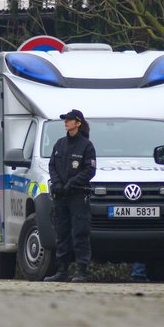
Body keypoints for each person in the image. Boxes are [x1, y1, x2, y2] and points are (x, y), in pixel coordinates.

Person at [44, 109, 97, 282]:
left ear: (78, 123)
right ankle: (62, 270)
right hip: (61, 196)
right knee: (62, 232)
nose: (65, 122)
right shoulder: (59, 144)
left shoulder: (86, 146)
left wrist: (71, 184)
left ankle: (82, 270)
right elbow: (52, 165)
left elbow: (90, 170)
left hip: (78, 195)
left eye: (69, 120)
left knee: (80, 232)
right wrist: (58, 184)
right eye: (65, 120)